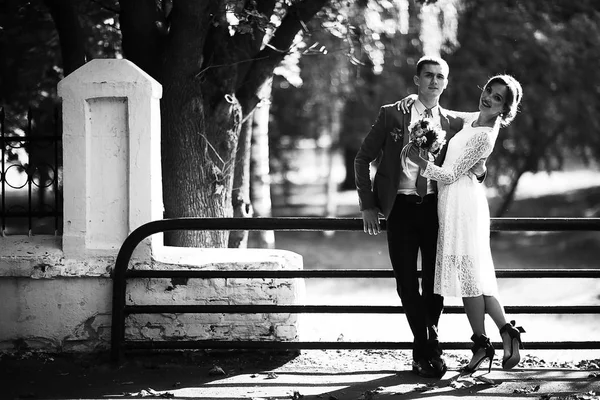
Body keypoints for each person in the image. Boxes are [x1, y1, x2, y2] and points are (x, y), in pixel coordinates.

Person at [354, 55, 486, 378]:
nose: (434, 81)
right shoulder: (391, 115)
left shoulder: (453, 123)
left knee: (435, 284)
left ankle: (423, 352)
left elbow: (480, 142)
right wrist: (367, 204)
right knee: (405, 283)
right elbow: (362, 158)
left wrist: (481, 171)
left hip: (435, 210)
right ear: (417, 80)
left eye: (440, 77)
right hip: (398, 207)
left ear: (446, 82)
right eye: (428, 75)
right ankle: (432, 344)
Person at [406, 74, 526, 374]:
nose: (488, 97)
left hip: (463, 205)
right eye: (489, 90)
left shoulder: (485, 135)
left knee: (469, 275)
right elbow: (450, 114)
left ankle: (483, 344)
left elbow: (448, 175)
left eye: (497, 98)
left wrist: (417, 160)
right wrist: (420, 106)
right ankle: (504, 331)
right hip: (454, 201)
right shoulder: (476, 118)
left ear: (504, 109)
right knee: (477, 277)